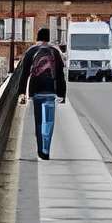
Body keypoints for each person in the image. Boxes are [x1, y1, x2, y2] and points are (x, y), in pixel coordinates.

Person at [18, 27, 68, 160]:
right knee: (49, 121)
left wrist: (22, 92)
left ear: (37, 38)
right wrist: (62, 94)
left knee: (39, 121)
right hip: (50, 91)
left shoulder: (31, 51)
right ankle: (46, 149)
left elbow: (24, 74)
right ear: (48, 38)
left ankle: (40, 148)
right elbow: (60, 75)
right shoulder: (55, 52)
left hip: (36, 91)